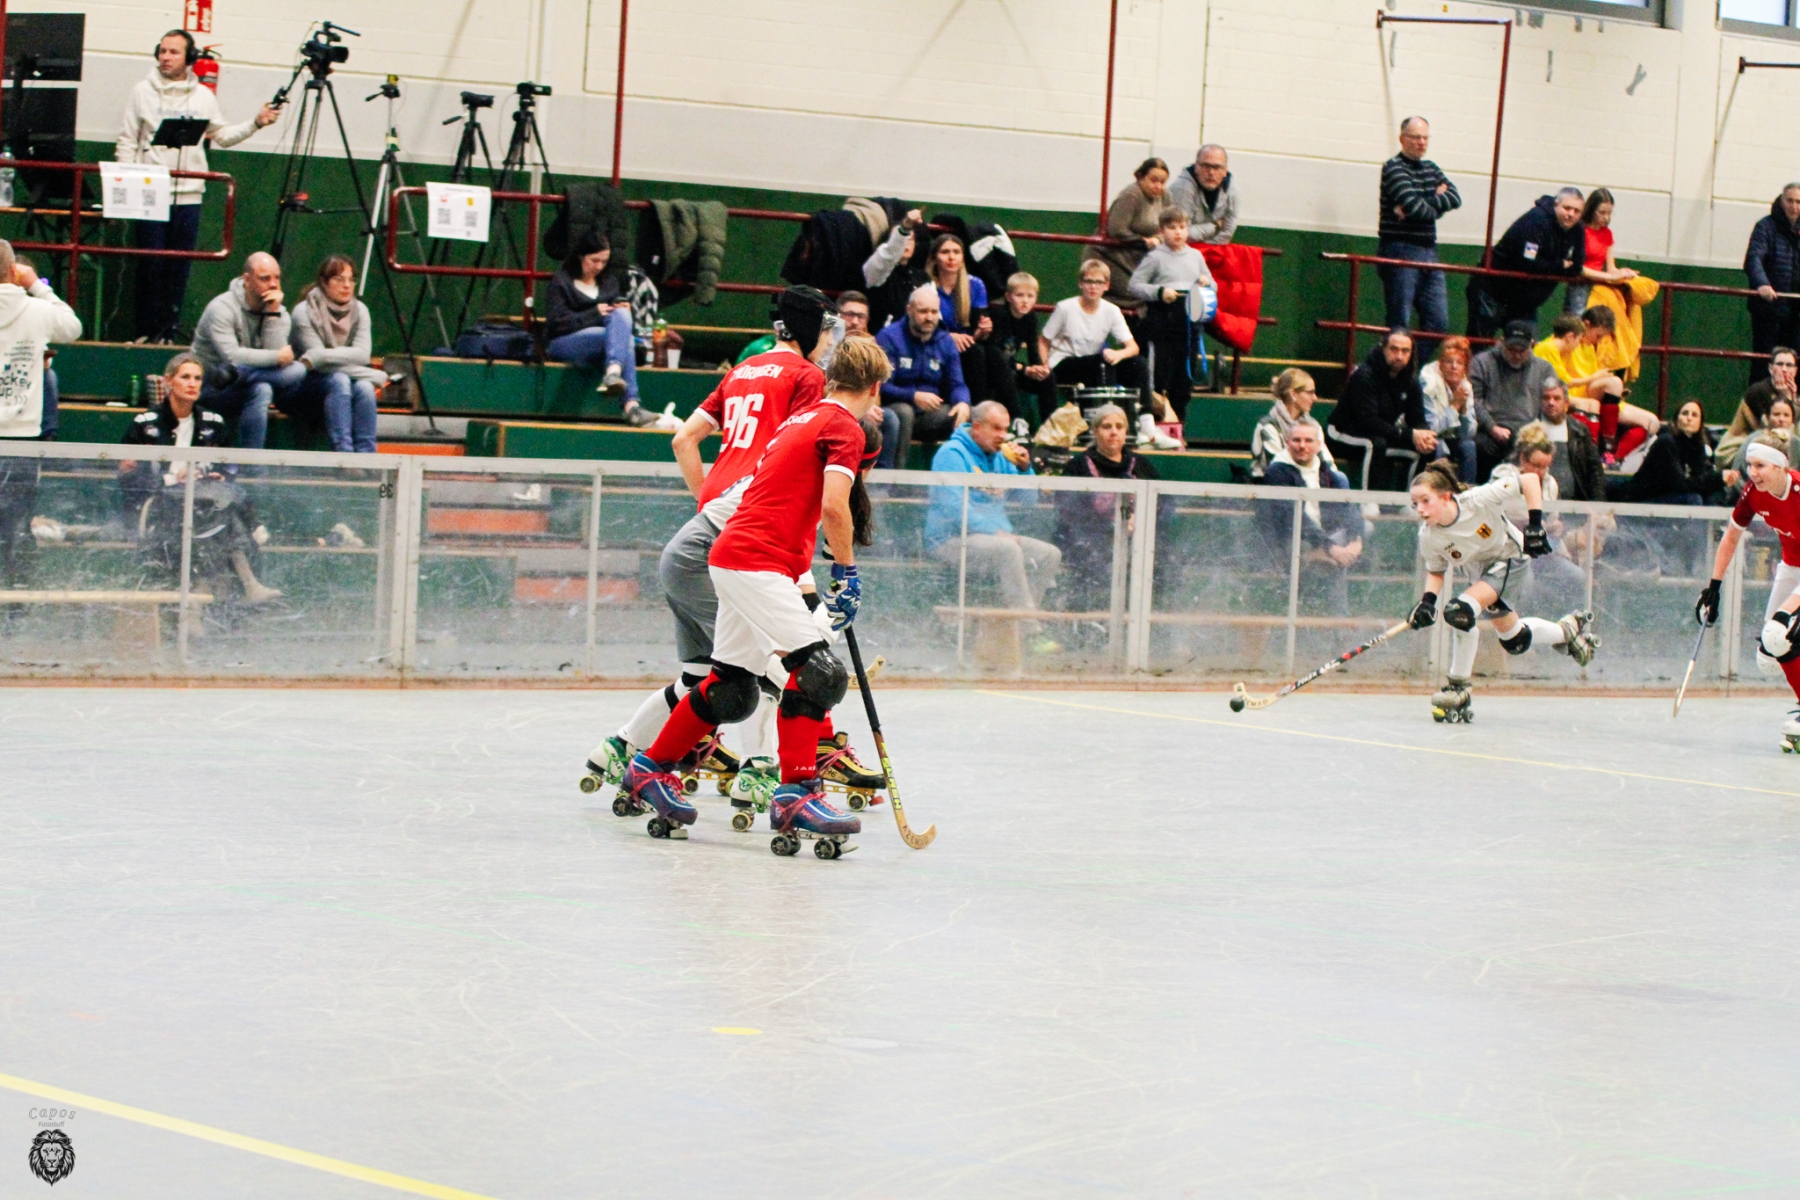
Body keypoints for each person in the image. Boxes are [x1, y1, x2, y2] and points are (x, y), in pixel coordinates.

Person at [584, 287, 883, 814]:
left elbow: (683, 440)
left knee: (725, 683)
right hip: (740, 543)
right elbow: (830, 500)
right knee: (805, 670)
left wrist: (709, 504)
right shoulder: (813, 392)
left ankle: (640, 759)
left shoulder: (749, 373)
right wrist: (843, 573)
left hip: (719, 530)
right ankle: (782, 777)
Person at [116, 30, 280, 344]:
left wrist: (256, 122)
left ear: (189, 58)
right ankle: (145, 332)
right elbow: (127, 141)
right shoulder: (141, 92)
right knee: (150, 265)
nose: (166, 57)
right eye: (162, 51)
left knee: (179, 268)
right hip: (150, 193)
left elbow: (223, 136)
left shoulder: (203, 96)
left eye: (174, 52)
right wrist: (128, 183)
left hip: (189, 195)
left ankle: (168, 331)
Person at [1407, 459, 1600, 723]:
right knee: (1514, 640)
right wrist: (1427, 602)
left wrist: (1535, 524)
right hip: (1482, 576)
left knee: (1459, 611)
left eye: (1425, 501)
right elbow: (1437, 571)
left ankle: (1458, 687)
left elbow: (1530, 480)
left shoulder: (1478, 500)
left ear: (1446, 497)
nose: (1420, 509)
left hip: (1510, 559)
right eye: (1414, 503)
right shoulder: (1429, 536)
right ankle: (1566, 631)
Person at [120, 352, 279, 604]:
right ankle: (247, 579)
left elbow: (229, 468)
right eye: (185, 377)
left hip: (205, 502)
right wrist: (173, 479)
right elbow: (128, 479)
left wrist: (217, 476)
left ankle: (200, 598)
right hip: (161, 505)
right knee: (218, 515)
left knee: (215, 506)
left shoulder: (214, 422)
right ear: (168, 381)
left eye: (197, 378)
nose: (192, 384)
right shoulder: (145, 423)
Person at [926, 400, 1063, 654]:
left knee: (1049, 554)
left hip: (995, 540)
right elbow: (953, 506)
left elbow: (1028, 501)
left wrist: (1025, 469)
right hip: (949, 540)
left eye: (1006, 429)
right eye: (997, 428)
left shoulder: (1002, 456)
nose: (1003, 436)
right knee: (1008, 549)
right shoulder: (951, 454)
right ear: (977, 427)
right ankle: (1030, 632)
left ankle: (1015, 626)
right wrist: (995, 532)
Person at [1696, 434, 1800, 748]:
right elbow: (1730, 537)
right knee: (1770, 653)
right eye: (1749, 465)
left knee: (1779, 632)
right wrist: (1713, 587)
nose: (1752, 472)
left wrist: (1788, 610)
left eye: (1760, 466)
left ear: (1781, 466)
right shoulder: (1753, 493)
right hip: (1792, 566)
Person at [0, 240, 81, 589]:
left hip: (20, 442)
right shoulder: (37, 309)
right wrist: (36, 284)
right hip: (22, 442)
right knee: (17, 530)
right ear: (13, 270)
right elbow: (72, 327)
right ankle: (15, 609)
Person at [1054, 404, 1160, 626]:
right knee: (1098, 562)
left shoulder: (1141, 465)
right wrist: (1111, 527)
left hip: (1136, 540)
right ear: (1094, 431)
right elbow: (1068, 511)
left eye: (1119, 427)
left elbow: (1164, 503)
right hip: (1089, 541)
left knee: (1161, 562)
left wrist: (1140, 520)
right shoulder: (1077, 467)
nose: (1114, 432)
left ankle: (1150, 628)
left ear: (1126, 431)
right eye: (1106, 426)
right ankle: (1090, 628)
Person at [191, 252, 307, 451]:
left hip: (239, 382)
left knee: (295, 372)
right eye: (265, 278)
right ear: (246, 279)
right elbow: (232, 356)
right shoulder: (221, 308)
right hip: (212, 386)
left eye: (277, 278)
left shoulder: (279, 312)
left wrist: (272, 314)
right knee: (263, 385)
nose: (273, 284)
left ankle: (251, 461)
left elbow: (279, 363)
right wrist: (276, 357)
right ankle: (251, 461)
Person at [545, 231, 660, 426]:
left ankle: (617, 380)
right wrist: (594, 314)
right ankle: (630, 404)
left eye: (604, 261)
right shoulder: (562, 282)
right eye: (594, 260)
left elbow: (617, 325)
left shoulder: (609, 283)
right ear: (581, 256)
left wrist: (624, 312)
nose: (599, 266)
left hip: (604, 342)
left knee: (622, 316)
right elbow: (557, 324)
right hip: (563, 342)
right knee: (625, 340)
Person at [1255, 417, 1365, 617]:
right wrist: (1331, 548)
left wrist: (1356, 540)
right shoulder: (1277, 473)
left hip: (1327, 537)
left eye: (1308, 440)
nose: (1302, 446)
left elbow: (1349, 508)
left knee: (1360, 533)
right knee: (1336, 561)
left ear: (1319, 445)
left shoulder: (1328, 472)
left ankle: (1328, 562)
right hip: (1294, 540)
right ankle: (1339, 618)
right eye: (1296, 440)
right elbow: (1292, 519)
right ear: (1287, 443)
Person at [1128, 208, 1216, 435]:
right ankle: (1154, 429)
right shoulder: (1155, 257)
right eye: (1172, 227)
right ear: (1161, 230)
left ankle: (1178, 431)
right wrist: (1159, 292)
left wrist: (1206, 282)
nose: (1178, 232)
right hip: (1162, 325)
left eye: (1182, 227)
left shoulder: (1196, 256)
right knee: (1159, 380)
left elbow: (1213, 285)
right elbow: (1134, 285)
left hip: (1189, 327)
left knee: (1183, 383)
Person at [287, 254, 386, 454]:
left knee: (365, 388)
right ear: (324, 282)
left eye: (351, 279)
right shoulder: (303, 311)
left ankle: (367, 457)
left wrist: (319, 357)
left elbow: (361, 355)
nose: (347, 286)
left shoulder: (360, 310)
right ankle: (343, 455)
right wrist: (370, 373)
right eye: (339, 279)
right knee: (340, 380)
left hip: (343, 380)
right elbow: (319, 366)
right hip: (304, 385)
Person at [1533, 309, 1658, 461]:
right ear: (1585, 326)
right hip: (1574, 393)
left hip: (1587, 391)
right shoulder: (1562, 345)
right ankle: (1600, 450)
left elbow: (1590, 378)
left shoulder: (1588, 346)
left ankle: (1613, 458)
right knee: (1600, 396)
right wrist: (1596, 377)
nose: (1598, 341)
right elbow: (1564, 381)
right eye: (1598, 336)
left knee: (1652, 422)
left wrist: (1610, 387)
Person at [1377, 116, 1461, 335]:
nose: (1421, 142)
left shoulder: (1431, 168)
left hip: (1429, 250)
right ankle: (1396, 357)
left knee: (1438, 324)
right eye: (1415, 137)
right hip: (1400, 248)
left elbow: (1455, 198)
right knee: (1399, 322)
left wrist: (1421, 205)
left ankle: (1413, 357)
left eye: (1425, 137)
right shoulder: (1393, 168)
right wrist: (1435, 200)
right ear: (1402, 139)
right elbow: (1416, 208)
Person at [1467, 189, 1587, 339]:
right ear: (1556, 204)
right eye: (1567, 208)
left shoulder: (1577, 228)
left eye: (1577, 211)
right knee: (1480, 344)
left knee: (1526, 347)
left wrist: (1551, 267)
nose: (1571, 214)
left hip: (1524, 302)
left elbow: (1576, 267)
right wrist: (1561, 266)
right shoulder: (1536, 220)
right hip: (1492, 289)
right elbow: (1528, 263)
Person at [875, 283, 971, 466]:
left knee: (972, 415)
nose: (929, 317)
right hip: (896, 409)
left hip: (930, 414)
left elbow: (957, 383)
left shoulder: (945, 341)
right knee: (904, 412)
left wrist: (962, 402)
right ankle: (896, 477)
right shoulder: (889, 337)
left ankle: (960, 476)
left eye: (934, 312)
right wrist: (913, 396)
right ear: (909, 310)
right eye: (923, 311)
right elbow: (882, 386)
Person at [1327, 327, 1435, 490]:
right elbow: (1368, 421)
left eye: (1405, 351)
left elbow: (1417, 418)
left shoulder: (1410, 381)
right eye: (1394, 349)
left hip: (1382, 433)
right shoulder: (1365, 376)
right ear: (1383, 349)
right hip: (1342, 432)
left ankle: (1411, 498)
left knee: (1425, 449)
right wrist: (1409, 434)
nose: (1399, 356)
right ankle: (1369, 500)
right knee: (1375, 444)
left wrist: (1424, 435)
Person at [1470, 320, 1560, 480]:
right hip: (1491, 431)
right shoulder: (1482, 363)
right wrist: (1491, 427)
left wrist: (1538, 430)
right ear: (1501, 342)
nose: (1516, 355)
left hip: (1530, 432)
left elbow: (1552, 401)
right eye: (1511, 349)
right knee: (1480, 445)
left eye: (1522, 350)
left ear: (1532, 345)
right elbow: (1472, 400)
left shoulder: (1544, 369)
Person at [1083, 158, 1171, 313]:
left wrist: (1157, 239)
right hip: (1110, 256)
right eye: (1153, 180)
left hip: (1137, 258)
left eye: (1162, 182)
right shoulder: (1131, 196)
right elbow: (1116, 229)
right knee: (1133, 294)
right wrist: (1143, 241)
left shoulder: (1165, 197)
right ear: (1140, 177)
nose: (1158, 186)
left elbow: (1170, 224)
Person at [1039, 261, 1140, 394]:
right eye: (1088, 281)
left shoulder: (1112, 311)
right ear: (1080, 283)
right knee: (1102, 362)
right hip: (1063, 363)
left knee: (1138, 364)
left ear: (1106, 285)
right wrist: (1044, 366)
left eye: (1099, 282)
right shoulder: (1065, 308)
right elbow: (1043, 340)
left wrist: (1118, 354)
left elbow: (1133, 347)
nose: (1093, 287)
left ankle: (1144, 407)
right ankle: (1106, 404)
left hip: (1092, 363)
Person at [1615, 400, 1736, 505]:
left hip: (1668, 496)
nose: (1689, 418)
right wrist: (1717, 479)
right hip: (1643, 499)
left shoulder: (1697, 447)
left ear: (1700, 423)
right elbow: (1680, 485)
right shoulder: (1666, 442)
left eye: (1694, 415)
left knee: (1711, 496)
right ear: (1676, 419)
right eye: (1685, 413)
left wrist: (1720, 481)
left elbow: (1700, 480)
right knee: (1693, 499)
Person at [986, 272, 1054, 436]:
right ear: (1008, 297)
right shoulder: (999, 315)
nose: (1025, 301)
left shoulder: (1031, 319)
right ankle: (1018, 420)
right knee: (1008, 371)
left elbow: (1033, 352)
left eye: (1030, 296)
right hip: (994, 370)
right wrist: (1024, 369)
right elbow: (995, 354)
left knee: (1048, 378)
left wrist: (1039, 369)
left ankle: (1050, 427)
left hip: (1014, 367)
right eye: (1020, 295)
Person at [927, 233, 992, 402]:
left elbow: (975, 331)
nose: (951, 257)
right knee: (973, 353)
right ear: (934, 258)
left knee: (990, 355)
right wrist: (948, 337)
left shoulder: (975, 285)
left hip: (965, 344)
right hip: (933, 342)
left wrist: (982, 331)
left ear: (963, 258)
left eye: (956, 252)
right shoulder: (927, 285)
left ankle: (983, 409)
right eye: (945, 252)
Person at [1745, 184, 1800, 385]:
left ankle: (1792, 402)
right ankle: (1759, 402)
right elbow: (1754, 258)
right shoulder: (1765, 227)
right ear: (1782, 200)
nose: (1794, 206)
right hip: (1769, 310)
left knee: (1795, 363)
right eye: (1790, 201)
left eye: (1798, 202)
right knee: (1764, 363)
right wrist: (1762, 284)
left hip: (1797, 311)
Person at [1720, 346, 1799, 469]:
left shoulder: (1795, 392)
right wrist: (1785, 397)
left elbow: (1794, 425)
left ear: (1795, 370)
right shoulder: (1759, 391)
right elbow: (1772, 429)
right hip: (1739, 447)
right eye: (1779, 364)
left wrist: (1793, 399)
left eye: (1789, 365)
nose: (1784, 369)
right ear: (1771, 368)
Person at [1566, 186, 1638, 316]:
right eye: (1602, 212)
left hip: (1599, 286)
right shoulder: (1580, 230)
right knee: (1577, 320)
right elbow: (1578, 267)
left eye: (1609, 213)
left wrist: (1624, 272)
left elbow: (1611, 268)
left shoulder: (1607, 234)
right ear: (1592, 210)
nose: (1606, 217)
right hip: (1580, 285)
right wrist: (1610, 277)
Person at [1250, 368, 1333, 477]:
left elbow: (1327, 462)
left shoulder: (1313, 425)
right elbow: (1276, 468)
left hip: (1311, 479)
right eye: (1310, 392)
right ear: (1293, 394)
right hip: (1275, 483)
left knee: (1340, 479)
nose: (1315, 398)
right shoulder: (1268, 426)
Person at [1532, 379, 1605, 503]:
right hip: (1540, 504)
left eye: (1556, 398)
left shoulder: (1580, 431)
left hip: (1575, 505)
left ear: (1566, 403)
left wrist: (1599, 506)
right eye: (1546, 398)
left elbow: (1594, 471)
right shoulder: (1529, 431)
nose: (1551, 403)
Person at [1419, 336, 1477, 482]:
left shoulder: (1465, 386)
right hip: (1425, 435)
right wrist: (1455, 406)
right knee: (1437, 446)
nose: (1454, 367)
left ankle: (1466, 492)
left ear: (1465, 368)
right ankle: (1434, 490)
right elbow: (1432, 428)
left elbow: (1468, 433)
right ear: (1440, 364)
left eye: (1459, 363)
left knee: (1468, 446)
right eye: (1449, 361)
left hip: (1450, 436)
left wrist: (1463, 410)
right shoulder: (1429, 383)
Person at [862, 206, 928, 331]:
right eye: (902, 239)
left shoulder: (922, 277)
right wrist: (904, 229)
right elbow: (888, 255)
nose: (906, 243)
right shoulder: (877, 271)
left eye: (910, 239)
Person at [1166, 144, 1239, 245]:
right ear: (1196, 167)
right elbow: (1180, 234)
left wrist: (1207, 247)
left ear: (1225, 171)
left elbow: (1227, 233)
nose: (1211, 172)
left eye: (1217, 167)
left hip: (1214, 249)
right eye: (1206, 166)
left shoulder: (1232, 189)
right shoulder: (1182, 188)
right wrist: (1215, 226)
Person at [1730, 396, 1800, 475]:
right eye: (1776, 414)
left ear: (1792, 419)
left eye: (1786, 415)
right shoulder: (1754, 440)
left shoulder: (1797, 444)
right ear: (1767, 417)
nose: (1781, 419)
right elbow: (1736, 470)